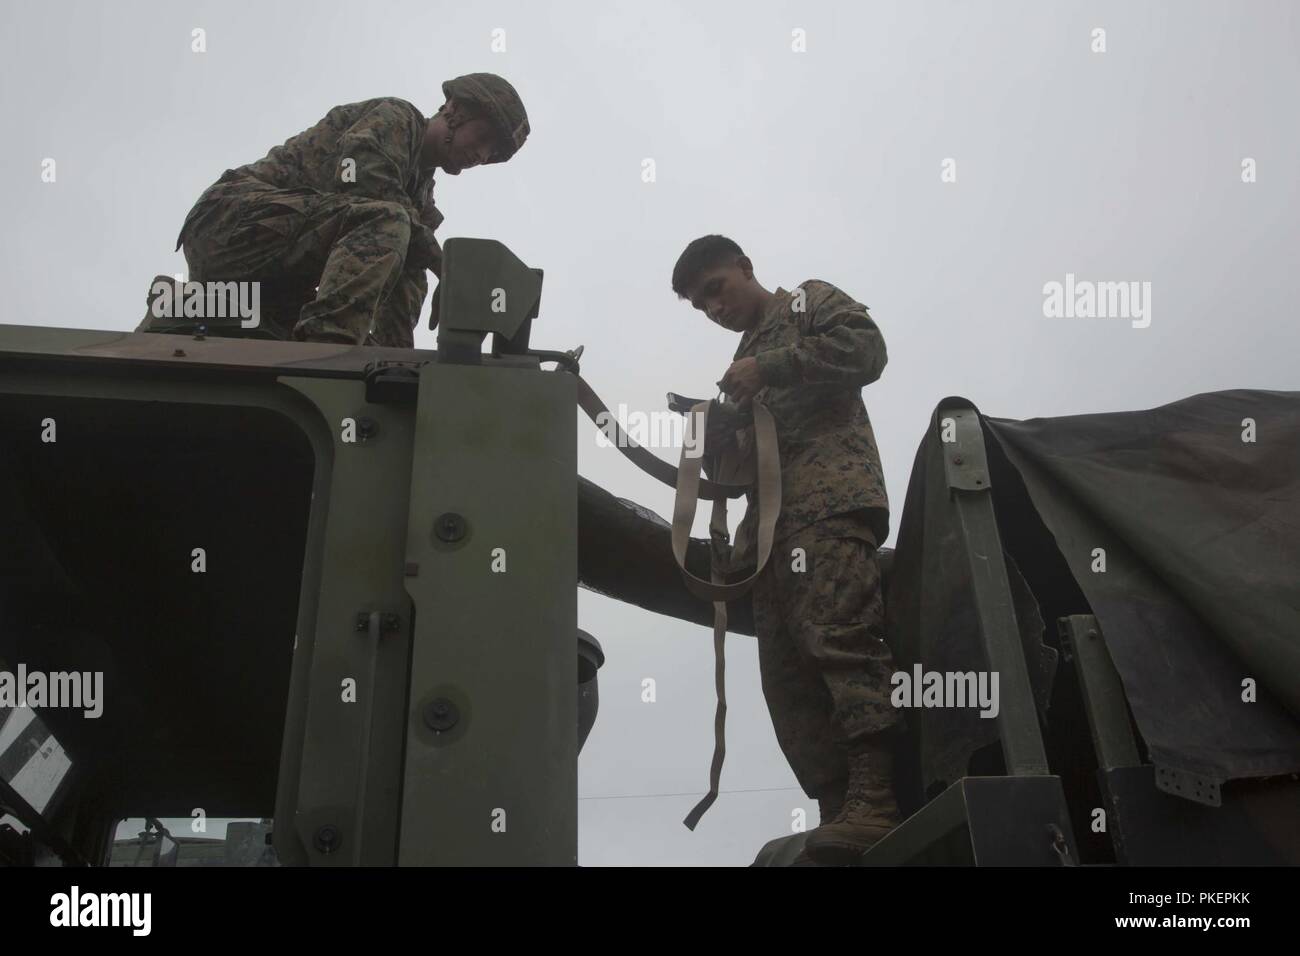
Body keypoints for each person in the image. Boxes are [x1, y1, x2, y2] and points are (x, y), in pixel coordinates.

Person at [671, 234, 903, 864]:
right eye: (701, 306)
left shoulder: (805, 304)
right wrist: (718, 431)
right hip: (768, 536)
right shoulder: (741, 364)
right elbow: (749, 461)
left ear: (745, 268)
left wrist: (769, 369)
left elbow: (867, 349)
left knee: (839, 641)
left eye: (715, 290)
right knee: (786, 677)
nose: (713, 309)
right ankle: (838, 807)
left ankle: (876, 799)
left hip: (828, 507)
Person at [158, 73, 528, 348]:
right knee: (390, 221)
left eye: (491, 155)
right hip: (227, 224)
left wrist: (397, 360)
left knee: (403, 246)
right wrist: (446, 267)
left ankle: (344, 348)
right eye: (482, 139)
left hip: (271, 282)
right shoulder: (395, 119)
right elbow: (365, 185)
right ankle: (328, 350)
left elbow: (406, 267)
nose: (481, 156)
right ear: (456, 111)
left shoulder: (420, 197)